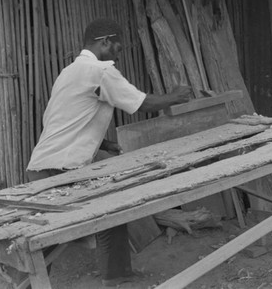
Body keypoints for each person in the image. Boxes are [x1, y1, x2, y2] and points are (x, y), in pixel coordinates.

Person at [26, 18, 192, 286]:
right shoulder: (100, 70)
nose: (118, 53)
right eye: (118, 47)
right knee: (66, 229)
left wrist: (103, 145)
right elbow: (141, 103)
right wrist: (175, 96)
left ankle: (116, 275)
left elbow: (60, 120)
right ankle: (114, 276)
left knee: (63, 226)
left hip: (41, 166)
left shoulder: (68, 72)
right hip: (65, 169)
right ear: (105, 42)